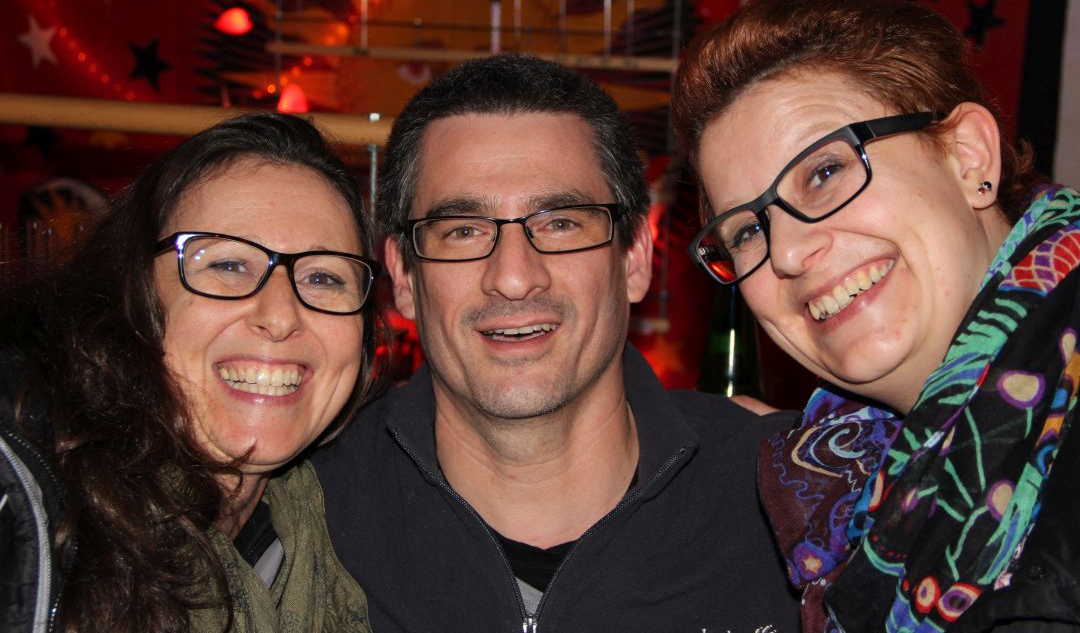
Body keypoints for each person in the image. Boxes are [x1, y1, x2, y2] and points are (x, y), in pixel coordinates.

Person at [313, 54, 801, 632]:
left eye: (561, 223)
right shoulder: (305, 509)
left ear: (635, 258)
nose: (514, 277)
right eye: (463, 231)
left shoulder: (800, 493)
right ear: (404, 277)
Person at [672, 0, 1080, 632]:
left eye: (824, 172)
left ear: (969, 156)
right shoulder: (834, 491)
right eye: (747, 231)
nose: (788, 253)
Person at [0, 112, 379, 633]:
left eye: (323, 277)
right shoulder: (24, 503)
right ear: (132, 295)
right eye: (228, 265)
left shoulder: (331, 532)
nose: (280, 316)